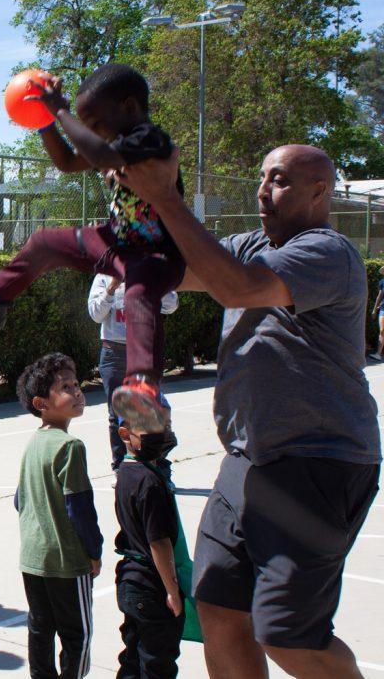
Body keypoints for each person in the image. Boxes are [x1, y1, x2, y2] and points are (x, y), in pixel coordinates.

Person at [117, 144, 381, 678]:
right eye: (262, 178)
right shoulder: (249, 243)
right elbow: (171, 266)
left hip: (318, 461)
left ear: (319, 191)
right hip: (245, 461)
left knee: (288, 636)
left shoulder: (325, 252)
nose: (263, 190)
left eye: (280, 180)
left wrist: (166, 196)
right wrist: (135, 196)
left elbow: (237, 285)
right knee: (217, 609)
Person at [0, 64, 185, 433]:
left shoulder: (150, 139)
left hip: (158, 253)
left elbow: (101, 155)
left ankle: (142, 386)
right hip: (117, 240)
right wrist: (44, 123)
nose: (91, 133)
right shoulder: (115, 143)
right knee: (43, 242)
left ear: (130, 107)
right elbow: (69, 162)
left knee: (139, 293)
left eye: (96, 123)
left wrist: (60, 110)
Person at [15, 353, 102, 679]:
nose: (77, 392)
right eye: (66, 387)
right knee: (77, 634)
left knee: (40, 628)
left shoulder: (33, 444)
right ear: (41, 403)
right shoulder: (70, 447)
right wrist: (93, 552)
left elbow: (19, 500)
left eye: (77, 384)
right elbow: (80, 509)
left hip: (33, 558)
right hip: (67, 563)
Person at [112, 417, 185, 678]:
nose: (160, 434)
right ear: (125, 433)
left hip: (130, 582)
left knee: (133, 658)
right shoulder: (150, 482)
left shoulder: (126, 472)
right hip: (150, 586)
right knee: (157, 663)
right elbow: (159, 542)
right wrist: (172, 590)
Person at [88, 274, 178, 477]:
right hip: (113, 352)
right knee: (116, 416)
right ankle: (121, 469)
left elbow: (172, 304)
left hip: (143, 350)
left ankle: (158, 465)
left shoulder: (148, 270)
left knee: (152, 409)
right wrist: (111, 288)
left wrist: (153, 284)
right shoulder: (103, 277)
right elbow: (94, 314)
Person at [369, 266, 384, 360]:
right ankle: (378, 353)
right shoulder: (382, 282)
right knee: (382, 331)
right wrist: (375, 310)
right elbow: (379, 296)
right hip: (383, 309)